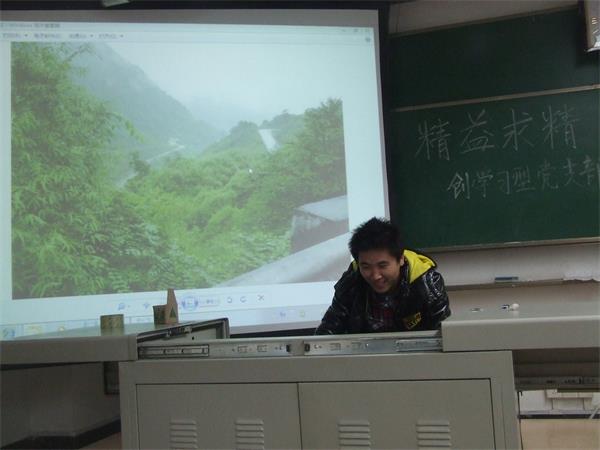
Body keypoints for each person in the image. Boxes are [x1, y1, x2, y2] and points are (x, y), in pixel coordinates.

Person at [315, 217, 450, 335]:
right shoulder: (351, 282)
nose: (375, 276)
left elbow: (442, 336)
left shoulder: (427, 285)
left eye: (382, 265)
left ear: (401, 259)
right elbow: (327, 331)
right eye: (366, 267)